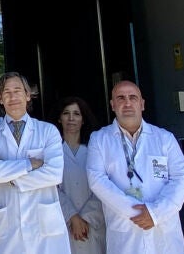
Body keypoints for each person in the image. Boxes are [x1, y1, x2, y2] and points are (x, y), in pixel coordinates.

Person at [86, 80, 184, 254]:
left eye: (133, 97)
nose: (127, 103)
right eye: (120, 98)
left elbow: (181, 180)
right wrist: (135, 213)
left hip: (163, 227)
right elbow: (97, 181)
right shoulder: (99, 139)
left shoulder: (164, 138)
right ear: (112, 105)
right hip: (125, 228)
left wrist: (155, 213)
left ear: (142, 104)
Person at [0, 72, 70, 254]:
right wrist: (30, 164)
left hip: (44, 224)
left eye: (17, 91)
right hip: (6, 225)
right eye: (6, 92)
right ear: (0, 99)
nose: (13, 97)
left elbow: (54, 174)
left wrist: (9, 176)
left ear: (28, 95)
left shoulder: (48, 131)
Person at [54, 97, 105, 254]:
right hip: (63, 224)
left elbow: (104, 187)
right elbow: (50, 188)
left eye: (76, 114)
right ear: (59, 118)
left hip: (93, 225)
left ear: (83, 120)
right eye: (66, 113)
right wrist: (72, 217)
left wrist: (85, 218)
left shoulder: (95, 150)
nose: (71, 118)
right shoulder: (52, 152)